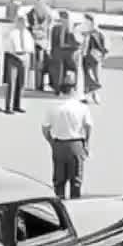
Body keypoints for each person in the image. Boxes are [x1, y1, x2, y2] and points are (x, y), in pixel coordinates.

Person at [41, 70, 93, 199]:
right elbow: (88, 126)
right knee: (76, 181)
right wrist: (86, 142)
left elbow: (45, 128)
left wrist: (51, 141)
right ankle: (75, 207)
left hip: (58, 144)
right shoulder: (82, 107)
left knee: (58, 181)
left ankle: (60, 208)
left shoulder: (53, 107)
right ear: (74, 90)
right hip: (76, 144)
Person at [3, 12, 32, 114]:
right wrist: (16, 53)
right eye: (20, 21)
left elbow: (30, 48)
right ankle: (8, 107)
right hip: (13, 58)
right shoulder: (12, 32)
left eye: (24, 21)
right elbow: (7, 47)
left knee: (21, 83)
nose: (22, 23)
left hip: (24, 58)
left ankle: (17, 105)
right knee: (12, 83)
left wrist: (25, 55)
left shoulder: (27, 33)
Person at [80, 14, 108, 104]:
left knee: (93, 76)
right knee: (87, 76)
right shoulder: (88, 32)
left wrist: (102, 55)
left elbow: (101, 46)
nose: (85, 23)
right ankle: (89, 95)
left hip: (93, 57)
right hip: (88, 57)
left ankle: (94, 94)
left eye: (86, 21)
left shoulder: (95, 33)